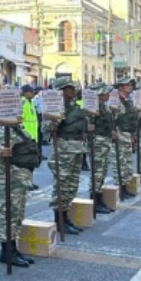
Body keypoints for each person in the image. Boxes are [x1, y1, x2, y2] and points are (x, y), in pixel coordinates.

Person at [0, 117, 38, 269]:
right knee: (8, 213)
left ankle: (13, 248)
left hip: (19, 178)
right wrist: (1, 153)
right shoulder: (1, 131)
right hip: (8, 177)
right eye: (17, 112)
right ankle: (6, 251)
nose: (21, 115)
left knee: (17, 213)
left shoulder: (18, 129)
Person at [49, 78, 88, 237]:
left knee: (72, 184)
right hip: (64, 148)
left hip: (77, 147)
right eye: (69, 88)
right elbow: (47, 128)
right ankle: (59, 220)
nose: (73, 91)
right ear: (61, 90)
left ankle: (66, 216)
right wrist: (54, 122)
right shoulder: (54, 106)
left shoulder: (72, 106)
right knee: (62, 185)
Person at [88, 85, 117, 214]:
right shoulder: (92, 107)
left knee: (103, 170)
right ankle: (94, 200)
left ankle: (99, 199)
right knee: (97, 172)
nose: (108, 95)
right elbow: (89, 126)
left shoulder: (104, 107)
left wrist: (111, 131)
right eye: (106, 93)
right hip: (97, 141)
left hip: (105, 140)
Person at [113, 76, 139, 199]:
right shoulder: (116, 100)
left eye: (130, 85)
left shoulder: (128, 100)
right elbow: (112, 119)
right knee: (120, 162)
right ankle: (120, 188)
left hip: (128, 133)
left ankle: (125, 186)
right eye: (127, 85)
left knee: (127, 163)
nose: (130, 87)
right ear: (120, 87)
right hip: (120, 133)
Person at [20, 85, 41, 191]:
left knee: (32, 162)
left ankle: (30, 181)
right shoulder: (22, 102)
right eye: (31, 92)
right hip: (26, 136)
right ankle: (26, 183)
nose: (33, 93)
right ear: (25, 93)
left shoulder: (30, 102)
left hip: (33, 136)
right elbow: (20, 119)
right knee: (26, 162)